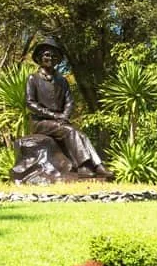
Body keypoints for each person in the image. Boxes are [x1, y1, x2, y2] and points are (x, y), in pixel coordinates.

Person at [25, 37, 112, 178]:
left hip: (60, 120)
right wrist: (54, 116)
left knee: (81, 134)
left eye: (54, 56)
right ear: (40, 57)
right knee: (70, 131)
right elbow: (30, 103)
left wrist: (64, 115)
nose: (50, 58)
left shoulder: (62, 80)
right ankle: (83, 166)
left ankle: (97, 165)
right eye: (47, 54)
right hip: (40, 122)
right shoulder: (33, 79)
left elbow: (69, 101)